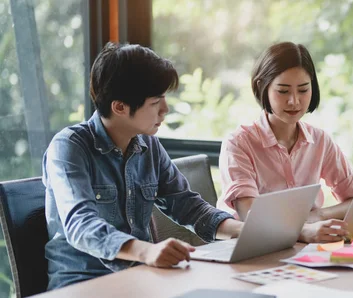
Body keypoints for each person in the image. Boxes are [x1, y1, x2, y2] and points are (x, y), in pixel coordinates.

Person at [43, 42, 243, 290]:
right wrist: (147, 251)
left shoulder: (149, 145)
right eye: (156, 101)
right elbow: (81, 225)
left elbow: (188, 206)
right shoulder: (69, 147)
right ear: (120, 107)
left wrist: (245, 232)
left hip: (140, 280)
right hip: (81, 285)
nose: (165, 109)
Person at [219, 41, 353, 243]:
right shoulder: (238, 144)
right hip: (249, 249)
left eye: (303, 90)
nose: (294, 101)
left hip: (299, 248)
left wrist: (318, 216)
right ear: (263, 87)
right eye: (283, 91)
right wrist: (304, 229)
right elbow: (251, 216)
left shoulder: (320, 141)